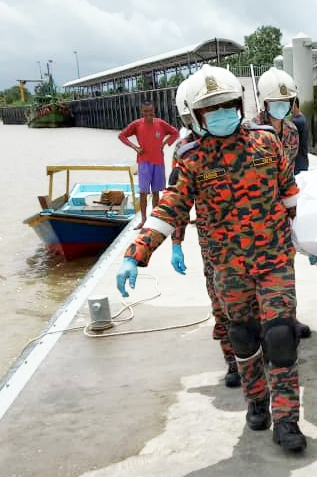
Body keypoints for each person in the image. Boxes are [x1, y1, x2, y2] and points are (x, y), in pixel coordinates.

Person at [116, 64, 307, 452]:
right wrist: (137, 253)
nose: (222, 114)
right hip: (229, 267)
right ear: (193, 116)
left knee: (281, 335)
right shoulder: (191, 159)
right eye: (211, 109)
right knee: (243, 337)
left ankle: (287, 420)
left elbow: (289, 194)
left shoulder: (266, 143)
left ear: (240, 103)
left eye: (227, 105)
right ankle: (256, 398)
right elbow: (170, 208)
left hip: (274, 261)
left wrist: (307, 240)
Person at [169, 76, 240, 388]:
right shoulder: (185, 153)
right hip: (215, 246)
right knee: (222, 307)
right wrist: (176, 242)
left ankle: (256, 355)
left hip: (253, 243)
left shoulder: (248, 141)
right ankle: (233, 362)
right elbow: (177, 203)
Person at [253, 67, 311, 339]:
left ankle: (289, 318)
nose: (282, 108)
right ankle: (262, 325)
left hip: (283, 211)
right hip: (255, 215)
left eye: (286, 103)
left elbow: (292, 170)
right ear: (264, 102)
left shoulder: (290, 130)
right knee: (256, 273)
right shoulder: (248, 132)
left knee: (285, 267)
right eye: (276, 103)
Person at [118, 101, 179, 229]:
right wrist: (135, 147)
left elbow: (175, 132)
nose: (148, 114)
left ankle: (154, 219)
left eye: (150, 112)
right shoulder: (137, 124)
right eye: (145, 112)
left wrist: (165, 143)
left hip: (158, 162)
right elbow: (122, 136)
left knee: (156, 192)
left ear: (154, 110)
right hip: (144, 162)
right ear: (142, 112)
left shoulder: (161, 123)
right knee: (143, 192)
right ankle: (144, 220)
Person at [291, 97, 309, 174]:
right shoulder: (302, 118)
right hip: (303, 160)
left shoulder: (296, 122)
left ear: (294, 105)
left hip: (297, 162)